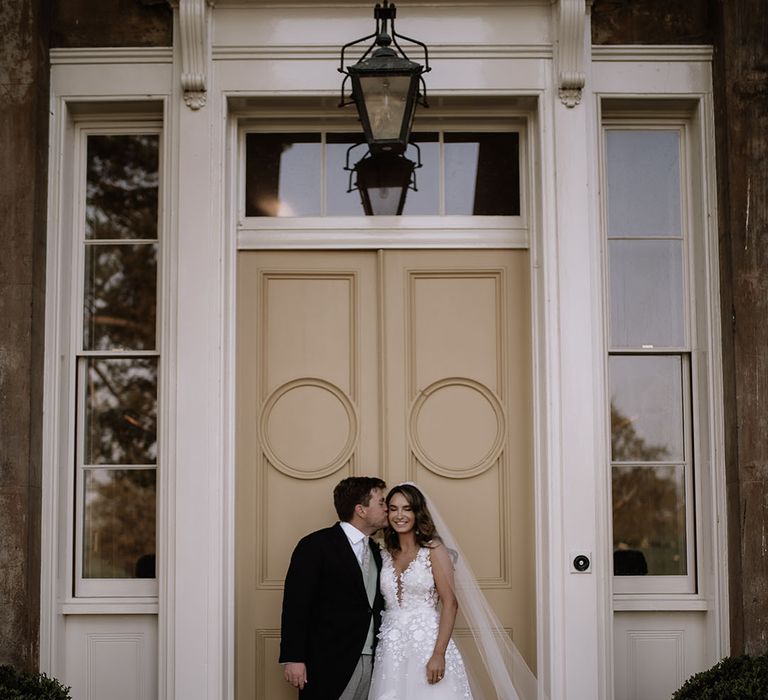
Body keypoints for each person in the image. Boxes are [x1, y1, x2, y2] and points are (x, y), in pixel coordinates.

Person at [369, 483, 538, 700]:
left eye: (407, 508)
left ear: (417, 512)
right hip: (391, 647)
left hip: (427, 643)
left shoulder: (433, 550)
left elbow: (450, 603)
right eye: (393, 509)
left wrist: (438, 653)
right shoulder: (384, 553)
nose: (399, 515)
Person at [280, 476, 388, 699]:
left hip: (373, 660)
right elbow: (296, 605)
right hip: (329, 661)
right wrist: (294, 658)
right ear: (361, 510)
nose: (387, 509)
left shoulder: (378, 553)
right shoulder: (315, 546)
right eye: (381, 502)